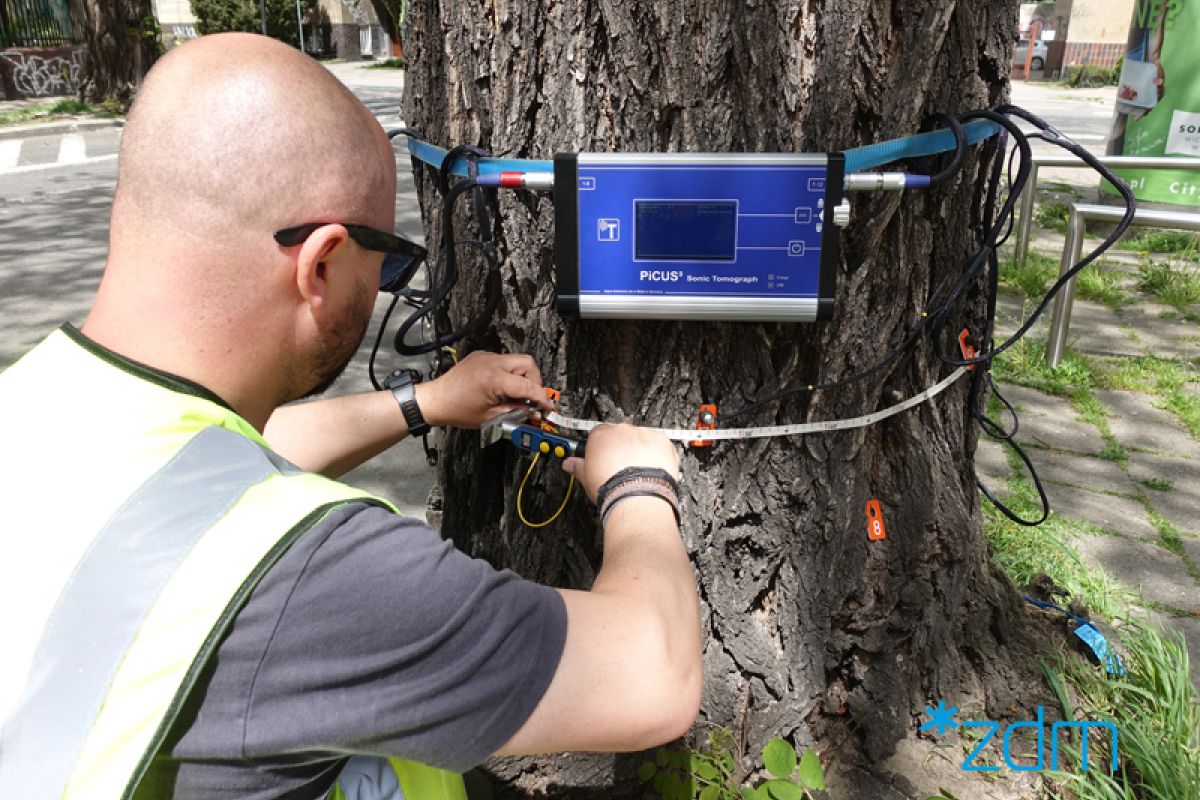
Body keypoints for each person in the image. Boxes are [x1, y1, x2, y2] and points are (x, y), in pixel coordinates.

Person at [0, 32, 702, 800]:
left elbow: (213, 481)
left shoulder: (41, 402)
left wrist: (424, 402)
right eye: (390, 266)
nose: (387, 287)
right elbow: (653, 677)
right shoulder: (314, 577)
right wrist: (638, 485)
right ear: (323, 263)